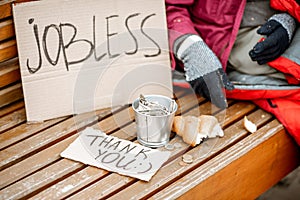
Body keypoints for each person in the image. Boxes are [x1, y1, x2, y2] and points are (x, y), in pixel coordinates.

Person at [166, 0, 300, 145]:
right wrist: (192, 50)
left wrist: (288, 18)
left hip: (280, 39)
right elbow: (167, 8)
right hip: (223, 47)